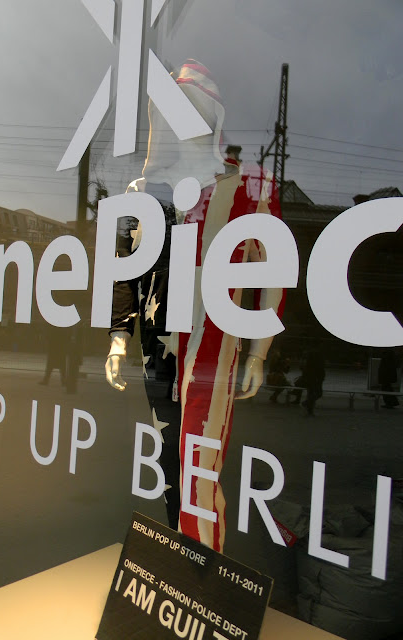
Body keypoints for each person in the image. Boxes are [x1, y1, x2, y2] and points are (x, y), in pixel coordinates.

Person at [105, 60, 284, 551]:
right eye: (172, 108)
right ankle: (181, 558)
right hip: (157, 344)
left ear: (212, 115)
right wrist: (119, 337)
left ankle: (201, 565)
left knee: (199, 460)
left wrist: (258, 351)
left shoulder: (249, 186)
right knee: (168, 458)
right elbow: (125, 270)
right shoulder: (143, 191)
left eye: (193, 107)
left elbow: (271, 272)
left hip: (213, 343)